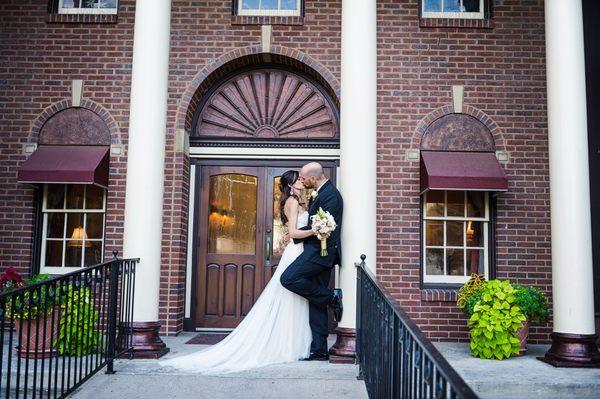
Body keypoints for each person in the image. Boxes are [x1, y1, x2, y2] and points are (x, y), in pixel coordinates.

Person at [159, 170, 316, 374]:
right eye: (299, 179)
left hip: (299, 249)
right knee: (289, 295)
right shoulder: (293, 202)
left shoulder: (300, 201)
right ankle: (285, 344)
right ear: (291, 184)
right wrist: (315, 231)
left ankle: (293, 342)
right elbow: (294, 233)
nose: (303, 181)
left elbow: (290, 232)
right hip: (296, 251)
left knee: (296, 297)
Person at [280, 162, 343, 362]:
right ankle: (320, 350)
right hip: (313, 250)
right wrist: (295, 235)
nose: (303, 180)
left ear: (313, 178)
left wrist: (298, 235)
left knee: (288, 278)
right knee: (316, 302)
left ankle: (331, 297)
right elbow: (312, 223)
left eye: (304, 177)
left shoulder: (330, 195)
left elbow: (325, 228)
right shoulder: (318, 193)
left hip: (320, 254)